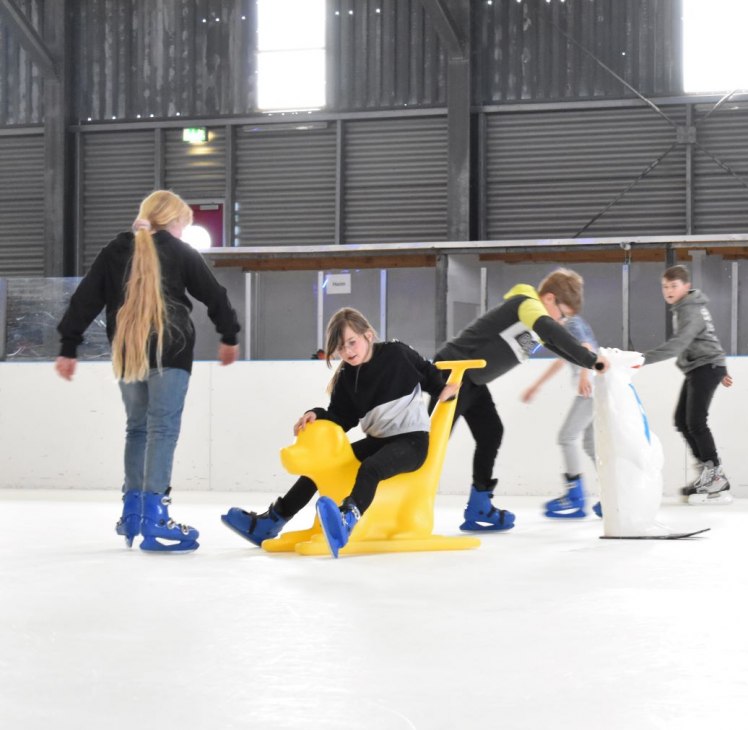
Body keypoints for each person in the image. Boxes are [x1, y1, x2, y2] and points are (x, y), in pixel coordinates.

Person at [56, 190, 240, 553]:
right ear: (173, 222)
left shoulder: (114, 249)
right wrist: (229, 335)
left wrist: (68, 345)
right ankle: (156, 514)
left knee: (137, 428)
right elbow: (214, 294)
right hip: (171, 348)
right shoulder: (178, 249)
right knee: (162, 429)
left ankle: (133, 512)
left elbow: (85, 298)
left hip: (128, 352)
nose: (183, 233)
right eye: (183, 226)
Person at [221, 308, 459, 557]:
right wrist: (317, 414)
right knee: (325, 466)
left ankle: (347, 520)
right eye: (340, 349)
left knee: (371, 468)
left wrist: (443, 388)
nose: (348, 352)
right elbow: (341, 418)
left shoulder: (396, 354)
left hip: (412, 441)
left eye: (351, 342)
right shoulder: (347, 376)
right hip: (378, 441)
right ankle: (271, 521)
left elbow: (428, 373)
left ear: (368, 335)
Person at [430, 269, 609, 531]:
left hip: (472, 379)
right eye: (562, 313)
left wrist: (590, 364)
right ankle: (394, 503)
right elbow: (549, 330)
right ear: (549, 299)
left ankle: (479, 505)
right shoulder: (528, 305)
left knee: (491, 432)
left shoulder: (532, 319)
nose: (561, 321)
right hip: (453, 373)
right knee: (431, 443)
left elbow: (554, 344)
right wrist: (591, 360)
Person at [641, 265, 734, 504]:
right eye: (665, 286)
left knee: (695, 421)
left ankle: (715, 475)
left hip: (706, 366)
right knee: (682, 421)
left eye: (673, 286)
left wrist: (642, 358)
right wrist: (721, 367)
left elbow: (679, 344)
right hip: (702, 367)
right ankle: (709, 472)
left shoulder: (689, 309)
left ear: (685, 285)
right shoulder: (685, 307)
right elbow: (706, 338)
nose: (668, 291)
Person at [521, 314, 601, 519]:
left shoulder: (572, 323)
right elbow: (560, 361)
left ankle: (576, 496)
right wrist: (536, 386)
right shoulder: (567, 328)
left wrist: (585, 373)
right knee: (592, 446)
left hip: (589, 392)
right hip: (596, 391)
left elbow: (587, 346)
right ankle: (612, 495)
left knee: (566, 437)